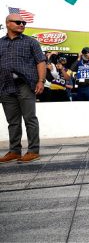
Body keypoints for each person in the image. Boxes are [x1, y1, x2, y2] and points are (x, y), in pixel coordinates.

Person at [0, 14, 46, 163]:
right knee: (12, 121)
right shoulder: (0, 43)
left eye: (24, 23)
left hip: (25, 84)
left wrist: (41, 81)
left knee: (29, 118)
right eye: (18, 22)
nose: (22, 24)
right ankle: (14, 151)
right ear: (7, 23)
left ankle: (33, 150)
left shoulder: (31, 42)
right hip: (5, 86)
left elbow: (41, 62)